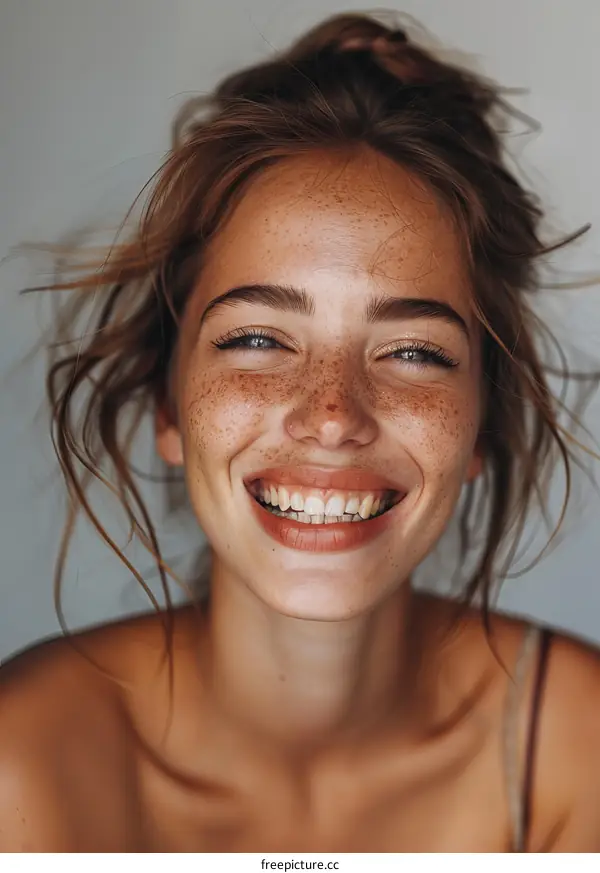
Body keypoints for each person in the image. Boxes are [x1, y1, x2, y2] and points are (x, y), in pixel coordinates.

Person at [1, 10, 599, 853]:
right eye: (256, 339)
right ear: (169, 406)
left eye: (414, 351)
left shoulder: (581, 758)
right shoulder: (22, 764)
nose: (331, 415)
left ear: (480, 429)